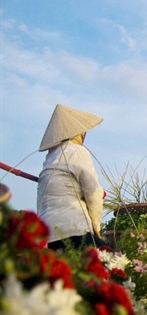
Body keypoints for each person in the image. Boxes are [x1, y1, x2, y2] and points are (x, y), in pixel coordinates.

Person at [36, 104, 108, 250]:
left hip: (49, 237)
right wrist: (96, 229)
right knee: (113, 262)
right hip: (73, 230)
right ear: (78, 133)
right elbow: (93, 193)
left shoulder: (49, 159)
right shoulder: (76, 150)